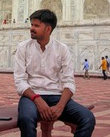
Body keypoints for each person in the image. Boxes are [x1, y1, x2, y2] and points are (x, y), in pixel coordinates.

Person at [14, 9, 95, 137]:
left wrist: (60, 106)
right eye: (32, 25)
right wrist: (37, 100)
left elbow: (69, 82)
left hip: (56, 96)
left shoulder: (61, 49)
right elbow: (20, 81)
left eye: (36, 25)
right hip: (31, 96)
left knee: (88, 118)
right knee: (26, 119)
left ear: (48, 29)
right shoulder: (23, 48)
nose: (31, 28)